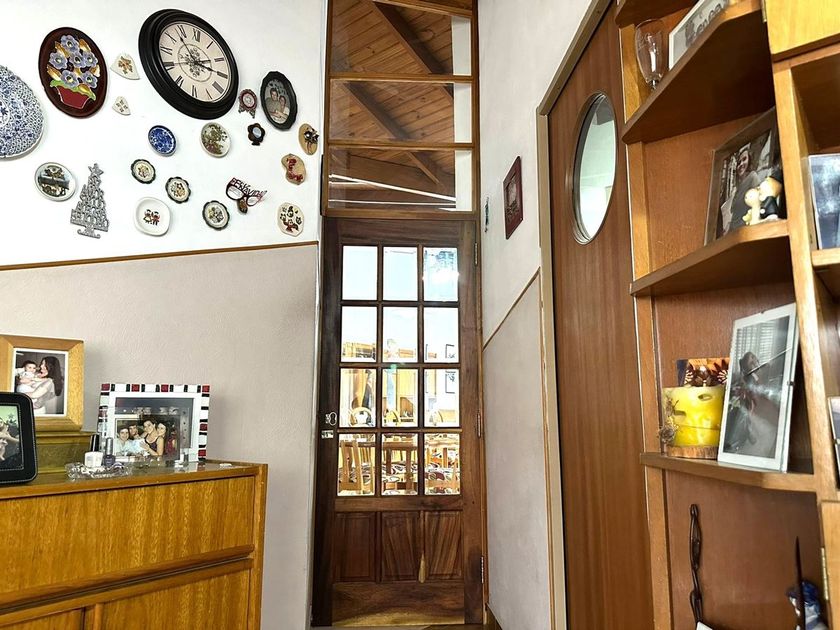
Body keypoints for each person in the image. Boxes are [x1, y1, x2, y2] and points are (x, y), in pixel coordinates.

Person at [721, 145, 761, 234]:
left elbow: (758, 204)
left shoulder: (753, 177)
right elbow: (733, 213)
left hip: (746, 231)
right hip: (734, 232)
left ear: (749, 161)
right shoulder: (737, 188)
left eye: (744, 159)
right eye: (739, 162)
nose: (741, 164)